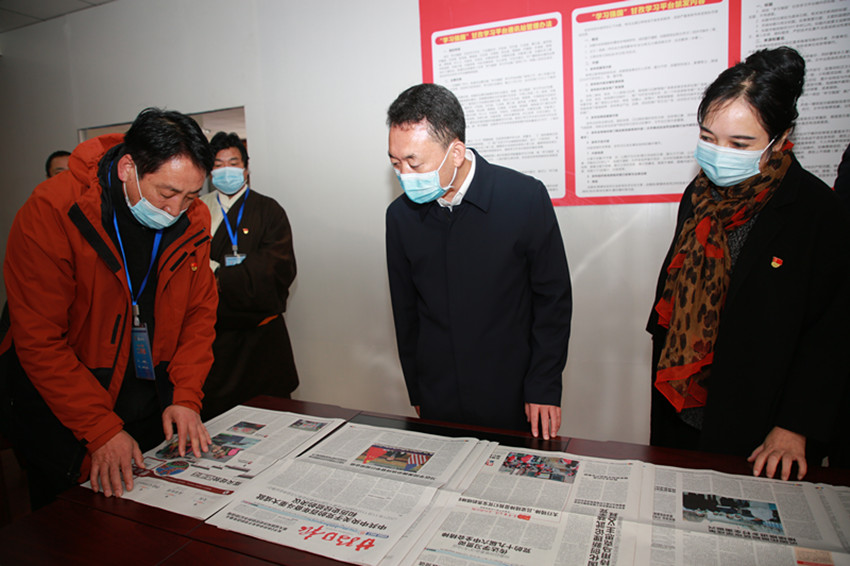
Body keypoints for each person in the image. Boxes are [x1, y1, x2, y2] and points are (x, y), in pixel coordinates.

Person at [647, 47, 850, 481]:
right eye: (708, 138)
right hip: (682, 398)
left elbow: (831, 334)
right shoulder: (698, 197)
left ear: (781, 137)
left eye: (740, 144)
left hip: (760, 419)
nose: (720, 154)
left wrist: (795, 426)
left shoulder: (818, 212)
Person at [1, 108, 217, 509]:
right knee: (71, 527)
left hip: (148, 401)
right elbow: (39, 340)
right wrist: (99, 429)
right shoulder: (53, 210)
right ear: (128, 168)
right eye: (167, 193)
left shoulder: (194, 219)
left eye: (190, 196)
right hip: (67, 412)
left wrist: (186, 395)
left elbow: (199, 317)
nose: (176, 210)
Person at [385, 83, 572, 439]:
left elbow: (553, 300)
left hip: (512, 393)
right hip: (439, 394)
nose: (405, 175)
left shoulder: (523, 198)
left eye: (414, 162)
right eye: (396, 163)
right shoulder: (400, 217)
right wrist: (418, 389)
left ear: (455, 153)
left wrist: (544, 384)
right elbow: (405, 311)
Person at [199, 132, 298, 421]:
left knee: (273, 420)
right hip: (215, 342)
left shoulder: (269, 210)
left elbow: (276, 268)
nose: (226, 170)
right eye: (218, 164)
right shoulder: (197, 210)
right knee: (217, 422)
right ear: (209, 170)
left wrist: (218, 275)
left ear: (246, 168)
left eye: (233, 163)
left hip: (262, 342)